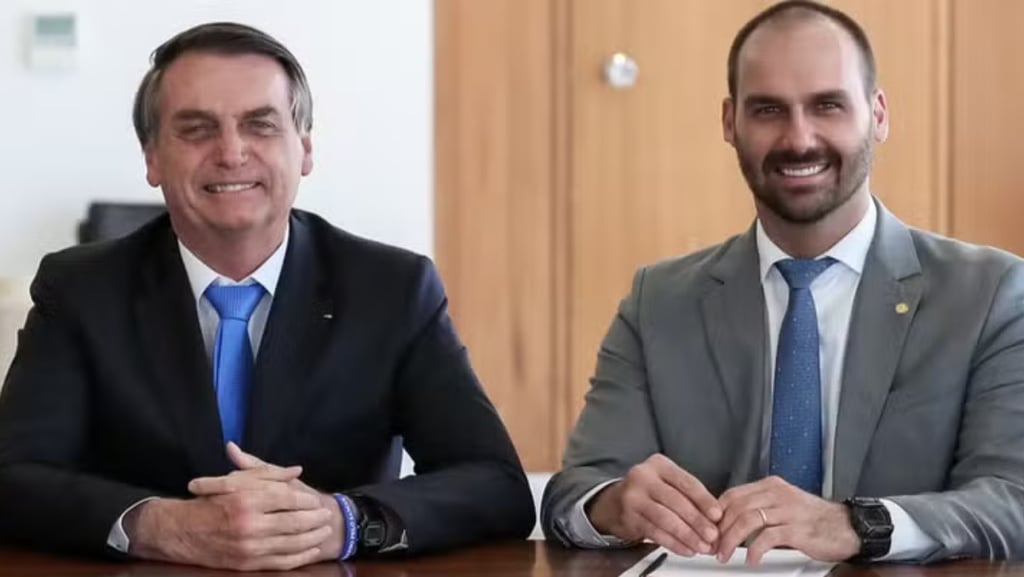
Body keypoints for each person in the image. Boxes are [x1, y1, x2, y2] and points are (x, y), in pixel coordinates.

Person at [0, 22, 535, 571]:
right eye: (196, 129)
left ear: (303, 148)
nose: (231, 153)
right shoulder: (81, 290)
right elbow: (12, 478)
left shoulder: (392, 289)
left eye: (260, 125)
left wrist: (344, 522)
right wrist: (154, 524)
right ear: (152, 157)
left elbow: (496, 486)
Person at [542, 0, 1024, 565]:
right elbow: (573, 494)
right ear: (730, 122)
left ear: (879, 114)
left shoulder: (990, 294)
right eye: (769, 109)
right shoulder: (659, 303)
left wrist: (857, 524)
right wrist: (614, 504)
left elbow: (1011, 503)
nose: (799, 138)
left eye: (828, 106)